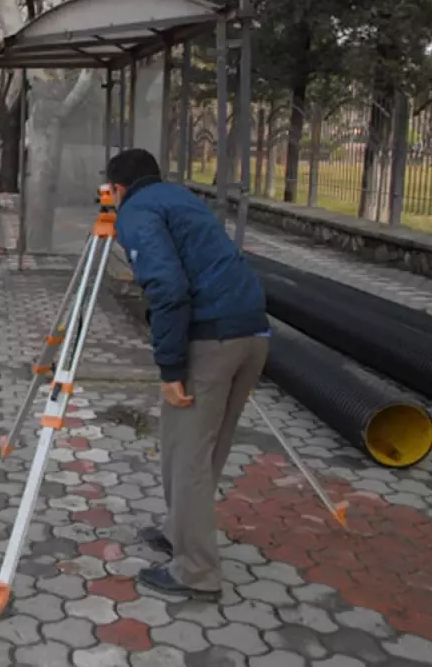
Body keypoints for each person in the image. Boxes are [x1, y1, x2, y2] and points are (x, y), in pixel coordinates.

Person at [106, 147, 270, 600]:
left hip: (213, 341)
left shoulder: (137, 210)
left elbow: (167, 287)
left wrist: (171, 366)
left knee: (186, 455)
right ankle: (180, 531)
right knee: (206, 449)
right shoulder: (178, 198)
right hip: (252, 332)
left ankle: (196, 571)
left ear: (118, 189)